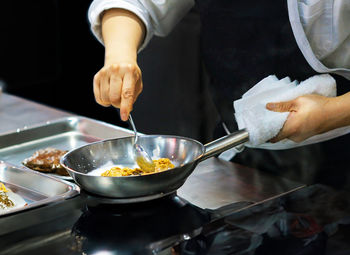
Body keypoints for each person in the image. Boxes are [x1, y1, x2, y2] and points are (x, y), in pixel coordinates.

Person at [88, 0, 350, 186]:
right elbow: (136, 3)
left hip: (337, 158)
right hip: (240, 158)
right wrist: (119, 56)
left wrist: (331, 113)